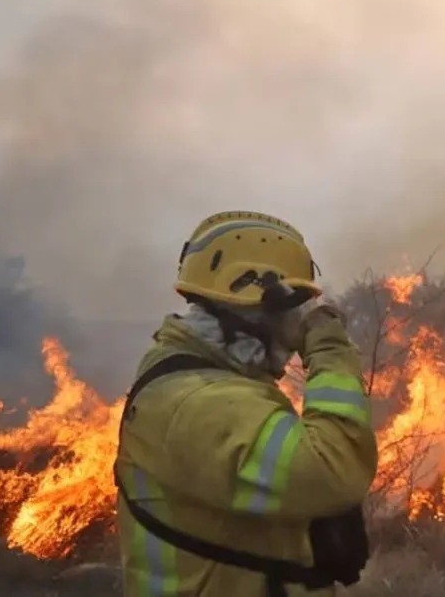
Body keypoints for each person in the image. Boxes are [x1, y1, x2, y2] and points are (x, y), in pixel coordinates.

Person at [114, 210, 378, 597]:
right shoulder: (199, 403)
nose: (298, 326)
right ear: (260, 305)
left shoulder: (217, 386)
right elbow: (332, 472)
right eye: (295, 308)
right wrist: (329, 349)